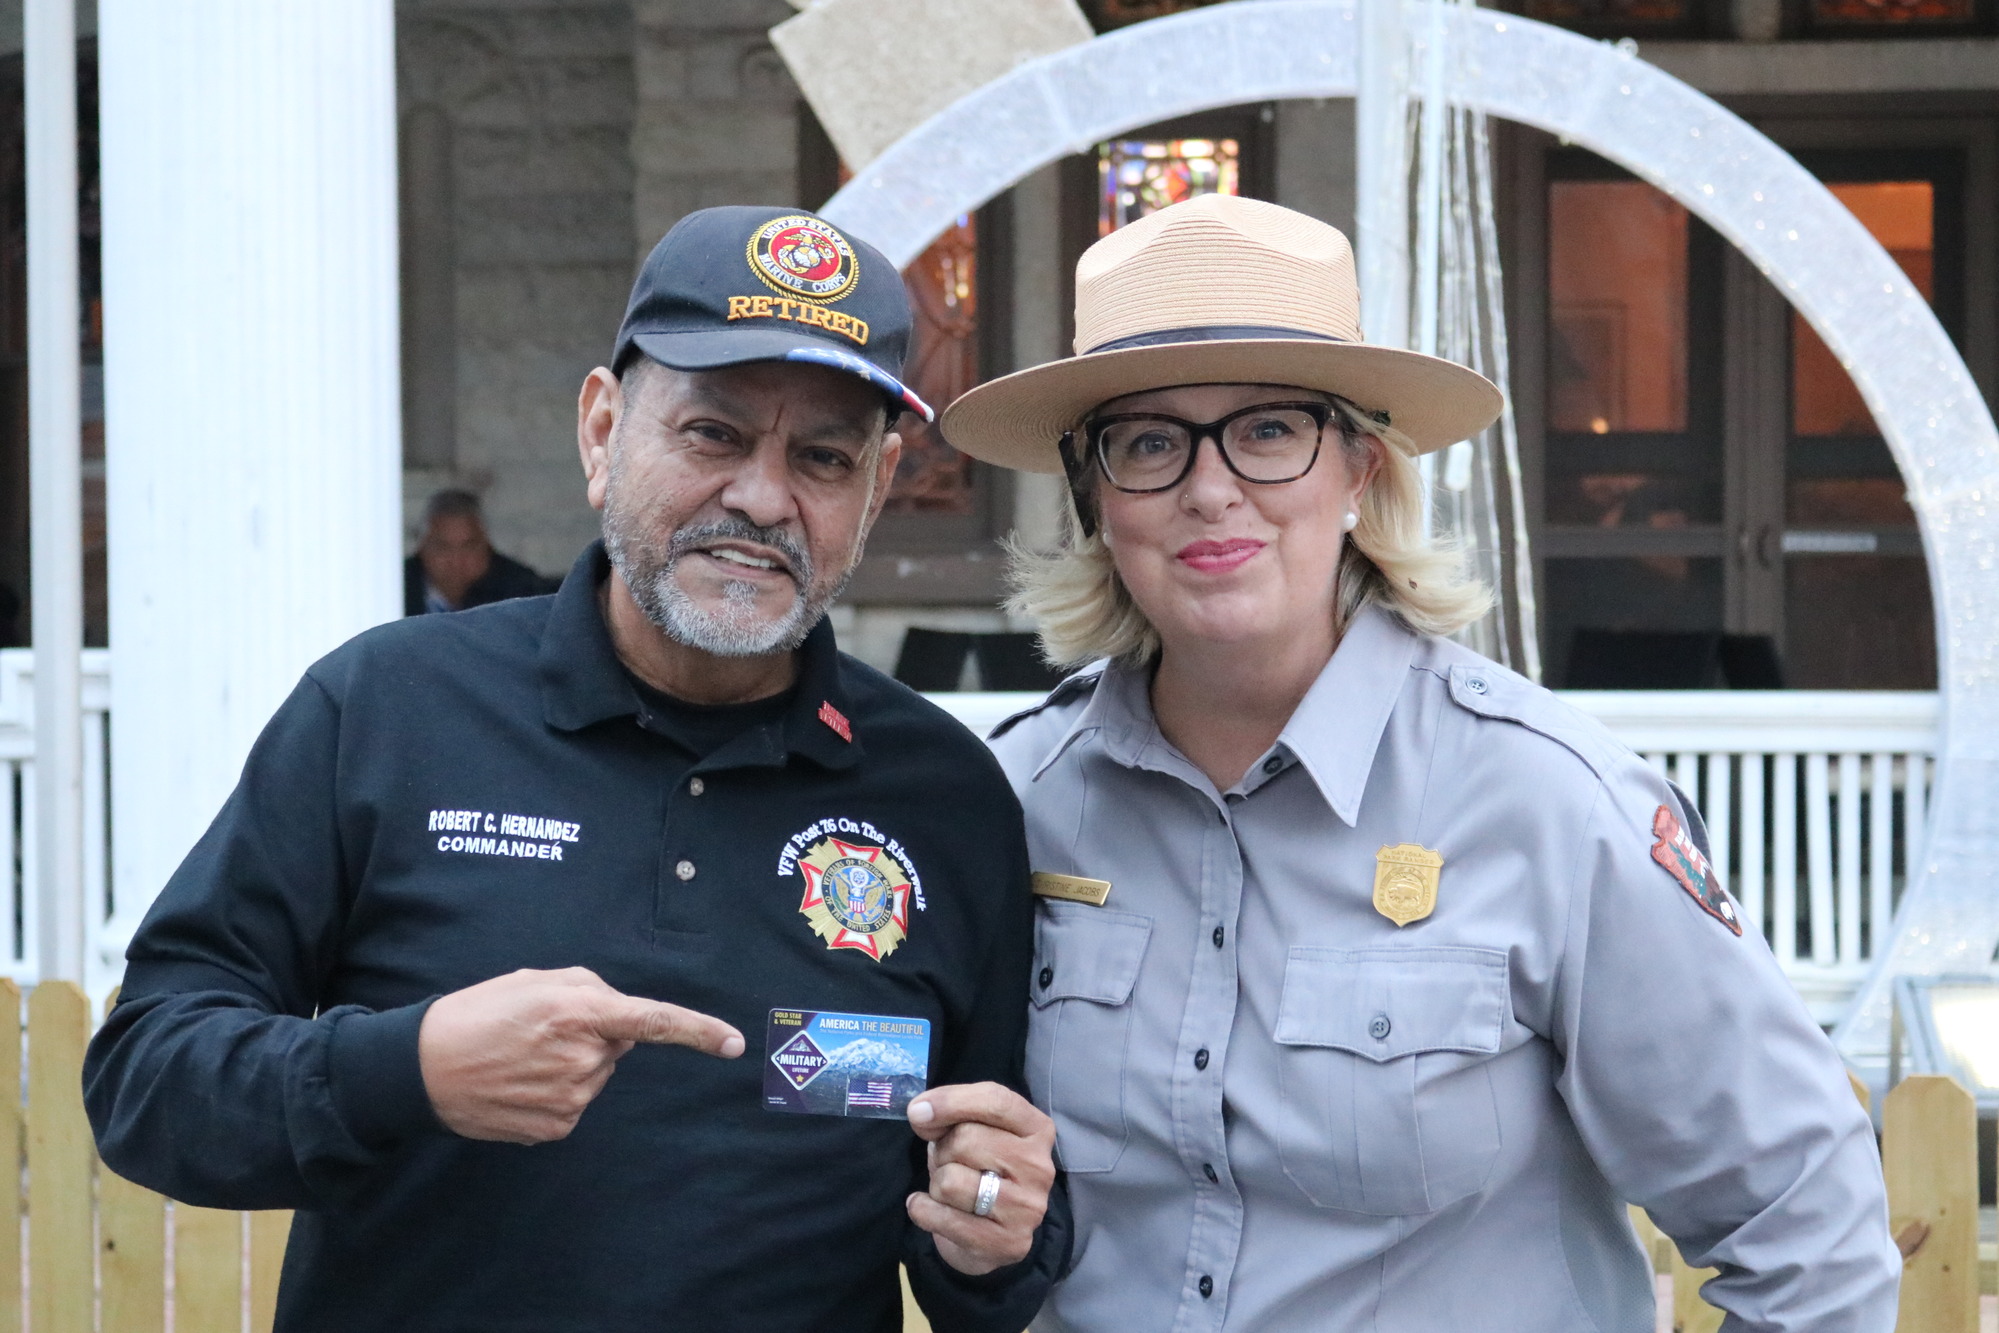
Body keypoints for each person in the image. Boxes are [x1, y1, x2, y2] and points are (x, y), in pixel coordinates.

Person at [84, 205, 1065, 1332]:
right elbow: (145, 1080)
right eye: (711, 432)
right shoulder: (388, 709)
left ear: (878, 488)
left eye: (823, 457)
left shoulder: (941, 798)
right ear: (603, 433)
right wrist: (405, 1069)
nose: (760, 494)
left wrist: (994, 1238)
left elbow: (976, 1221)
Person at [940, 194, 1898, 1331]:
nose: (1208, 487)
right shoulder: (1016, 800)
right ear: (1095, 496)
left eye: (1268, 429)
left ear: (1358, 469)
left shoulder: (1548, 803)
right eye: (1146, 441)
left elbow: (1807, 1229)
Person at [403, 487, 556, 615]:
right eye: (442, 547)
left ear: (487, 546)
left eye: (469, 546)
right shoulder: (395, 587)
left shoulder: (521, 590)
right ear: (422, 547)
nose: (456, 561)